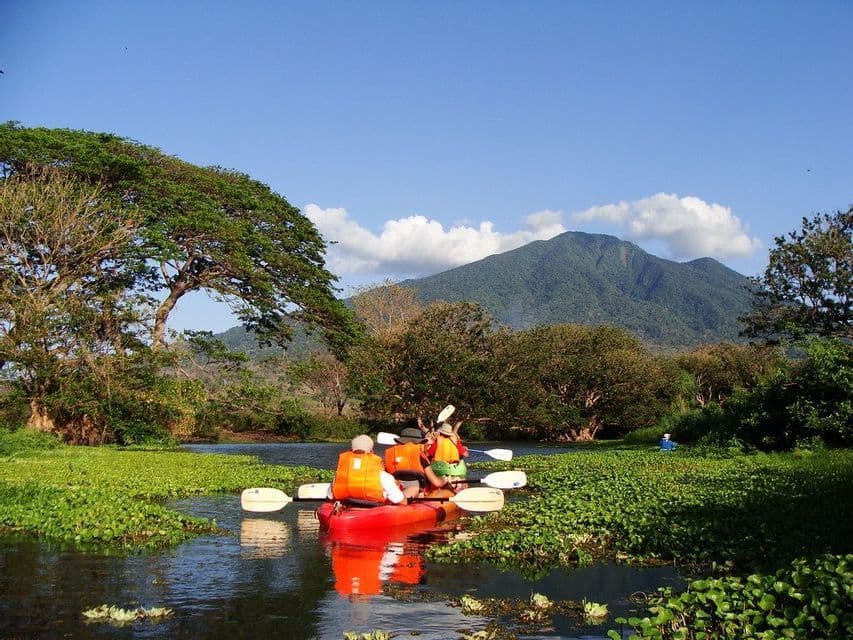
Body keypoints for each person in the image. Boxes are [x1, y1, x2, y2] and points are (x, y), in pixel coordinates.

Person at [328, 434, 405, 505]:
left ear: (350, 450)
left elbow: (330, 496)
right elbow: (399, 500)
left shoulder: (339, 474)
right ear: (372, 452)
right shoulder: (383, 476)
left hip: (348, 509)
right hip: (373, 511)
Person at [384, 427, 460, 497]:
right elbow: (437, 483)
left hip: (394, 486)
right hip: (413, 489)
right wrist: (445, 480)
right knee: (415, 488)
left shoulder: (391, 453)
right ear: (418, 442)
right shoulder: (420, 455)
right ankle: (403, 498)